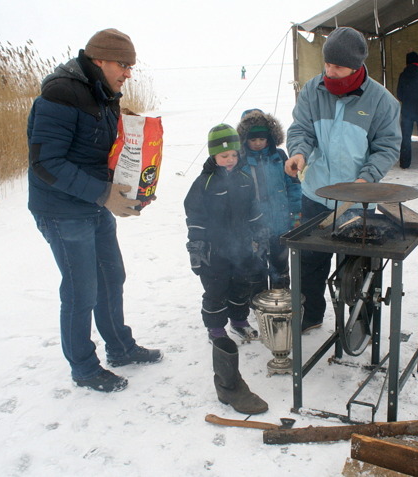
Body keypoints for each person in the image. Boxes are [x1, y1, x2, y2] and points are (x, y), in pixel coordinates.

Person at [27, 28, 163, 393]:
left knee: (111, 276)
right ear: (99, 60)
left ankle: (120, 347)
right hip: (60, 208)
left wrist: (132, 188)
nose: (128, 73)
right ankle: (85, 368)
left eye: (131, 66)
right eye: (123, 65)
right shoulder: (60, 94)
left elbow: (99, 153)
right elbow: (46, 162)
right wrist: (104, 195)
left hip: (91, 200)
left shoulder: (105, 94)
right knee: (80, 289)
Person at [284, 26, 402, 332]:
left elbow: (387, 147)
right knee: (310, 260)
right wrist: (298, 153)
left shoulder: (381, 101)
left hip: (358, 199)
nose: (329, 71)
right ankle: (310, 316)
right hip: (316, 193)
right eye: (327, 64)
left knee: (357, 265)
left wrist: (366, 180)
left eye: (337, 66)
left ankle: (360, 322)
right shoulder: (313, 89)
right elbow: (301, 129)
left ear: (356, 66)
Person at [184, 124, 268, 414]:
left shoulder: (245, 180)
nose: (229, 160)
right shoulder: (204, 183)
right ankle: (216, 327)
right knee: (216, 289)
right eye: (223, 156)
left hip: (241, 246)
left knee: (241, 286)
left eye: (233, 154)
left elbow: (254, 210)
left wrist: (259, 232)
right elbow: (194, 215)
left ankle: (239, 319)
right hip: (214, 250)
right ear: (213, 157)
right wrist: (196, 245)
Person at [237, 109, 301, 296]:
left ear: (270, 138)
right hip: (255, 225)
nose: (258, 143)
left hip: (281, 222)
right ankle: (259, 299)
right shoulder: (241, 162)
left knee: (280, 263)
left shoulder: (279, 156)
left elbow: (294, 186)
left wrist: (296, 214)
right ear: (244, 139)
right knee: (256, 265)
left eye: (262, 139)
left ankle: (280, 296)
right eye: (253, 139)